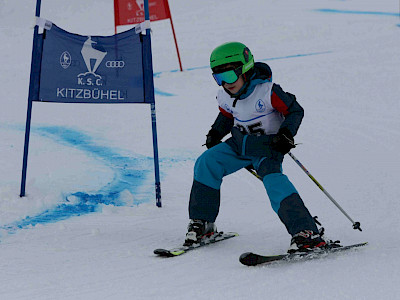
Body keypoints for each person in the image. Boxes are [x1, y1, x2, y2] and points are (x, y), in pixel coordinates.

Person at [184, 42, 327, 253]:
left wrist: (286, 134)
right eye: (219, 78)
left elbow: (295, 111)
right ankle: (203, 223)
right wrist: (215, 133)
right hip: (239, 145)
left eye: (230, 76)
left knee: (274, 181)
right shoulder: (224, 95)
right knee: (207, 162)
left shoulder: (268, 92)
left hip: (268, 147)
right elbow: (226, 115)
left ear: (246, 69)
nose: (226, 83)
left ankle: (306, 232)